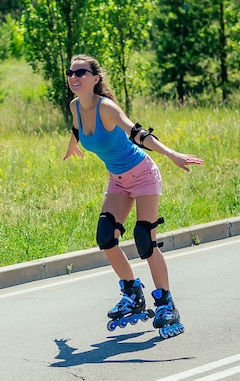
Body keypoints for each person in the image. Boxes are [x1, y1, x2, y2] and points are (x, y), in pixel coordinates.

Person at [62, 54, 203, 337]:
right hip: (118, 180)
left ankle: (165, 303)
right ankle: (132, 293)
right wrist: (72, 145)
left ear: (95, 78)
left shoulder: (108, 108)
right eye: (70, 72)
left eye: (81, 72)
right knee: (105, 237)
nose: (74, 77)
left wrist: (172, 154)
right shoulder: (74, 105)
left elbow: (137, 134)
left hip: (143, 174)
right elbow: (78, 128)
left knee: (144, 240)